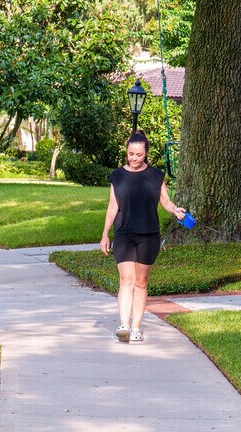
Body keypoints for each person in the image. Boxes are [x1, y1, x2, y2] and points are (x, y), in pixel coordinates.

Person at [100, 130, 186, 343]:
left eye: (138, 154)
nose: (134, 158)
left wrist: (175, 210)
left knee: (141, 281)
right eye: (130, 154)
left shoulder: (155, 176)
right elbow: (113, 206)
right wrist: (105, 234)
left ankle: (136, 327)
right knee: (126, 279)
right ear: (126, 152)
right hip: (124, 233)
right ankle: (124, 326)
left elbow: (165, 201)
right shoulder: (118, 176)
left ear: (145, 153)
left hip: (149, 235)